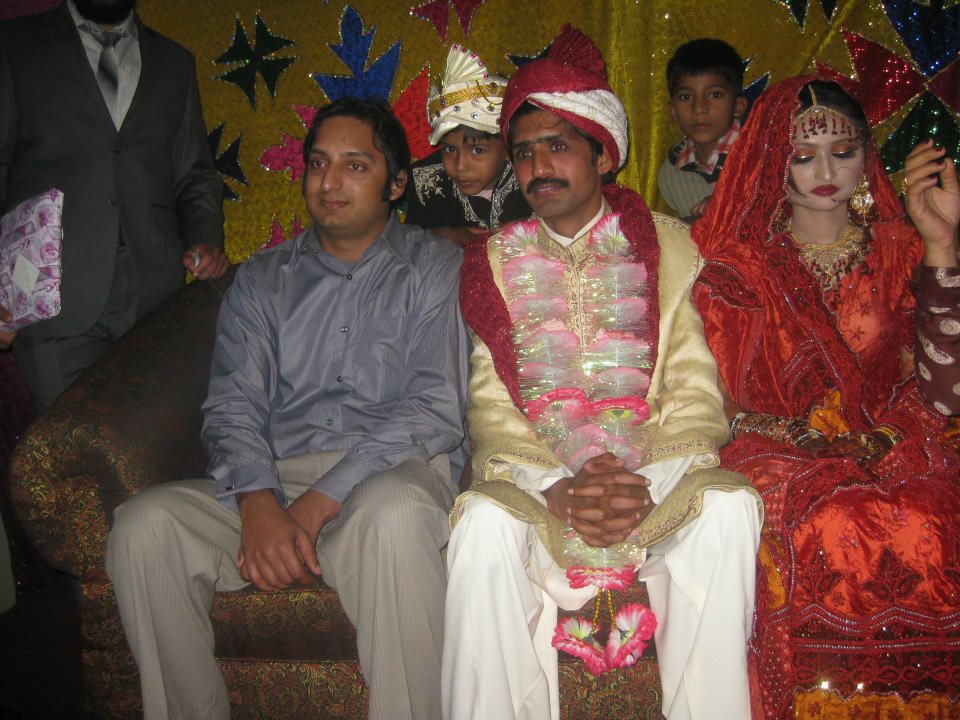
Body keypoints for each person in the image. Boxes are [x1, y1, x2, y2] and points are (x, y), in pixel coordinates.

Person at [106, 98, 469, 720]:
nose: (330, 182)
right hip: (279, 475)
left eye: (355, 165)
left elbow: (434, 408)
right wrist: (259, 504)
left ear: (396, 184)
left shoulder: (434, 267)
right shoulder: (260, 279)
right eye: (318, 164)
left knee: (396, 514)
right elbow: (232, 405)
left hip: (392, 471)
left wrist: (314, 506)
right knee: (144, 526)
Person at [443, 26, 762, 720]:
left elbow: (694, 390)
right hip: (544, 490)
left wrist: (632, 484)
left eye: (558, 145)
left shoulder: (675, 248)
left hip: (654, 484)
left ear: (602, 153)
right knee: (480, 524)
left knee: (730, 505)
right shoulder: (493, 263)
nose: (538, 166)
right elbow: (492, 407)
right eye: (523, 152)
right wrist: (559, 489)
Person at [690, 77, 960, 720]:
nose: (826, 173)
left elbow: (944, 391)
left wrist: (942, 243)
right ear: (770, 163)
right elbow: (718, 397)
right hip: (779, 448)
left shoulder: (900, 249)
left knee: (932, 513)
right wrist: (805, 438)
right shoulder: (738, 269)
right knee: (832, 522)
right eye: (803, 157)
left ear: (867, 157)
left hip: (900, 438)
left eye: (842, 153)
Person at [0, 0, 227, 410]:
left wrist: (205, 238)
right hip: (51, 297)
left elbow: (194, 173)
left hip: (154, 299)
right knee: (71, 444)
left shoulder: (174, 61)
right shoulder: (15, 43)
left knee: (152, 443)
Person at [404, 43, 530, 244]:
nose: (460, 166)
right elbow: (407, 242)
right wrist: (438, 236)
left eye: (477, 150)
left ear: (508, 147)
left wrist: (534, 226)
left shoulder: (531, 172)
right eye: (450, 149)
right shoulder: (425, 183)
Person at [657, 38, 746, 224]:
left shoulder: (761, 159)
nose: (699, 108)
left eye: (715, 95)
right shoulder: (671, 173)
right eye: (686, 97)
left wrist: (730, 206)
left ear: (738, 106)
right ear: (673, 110)